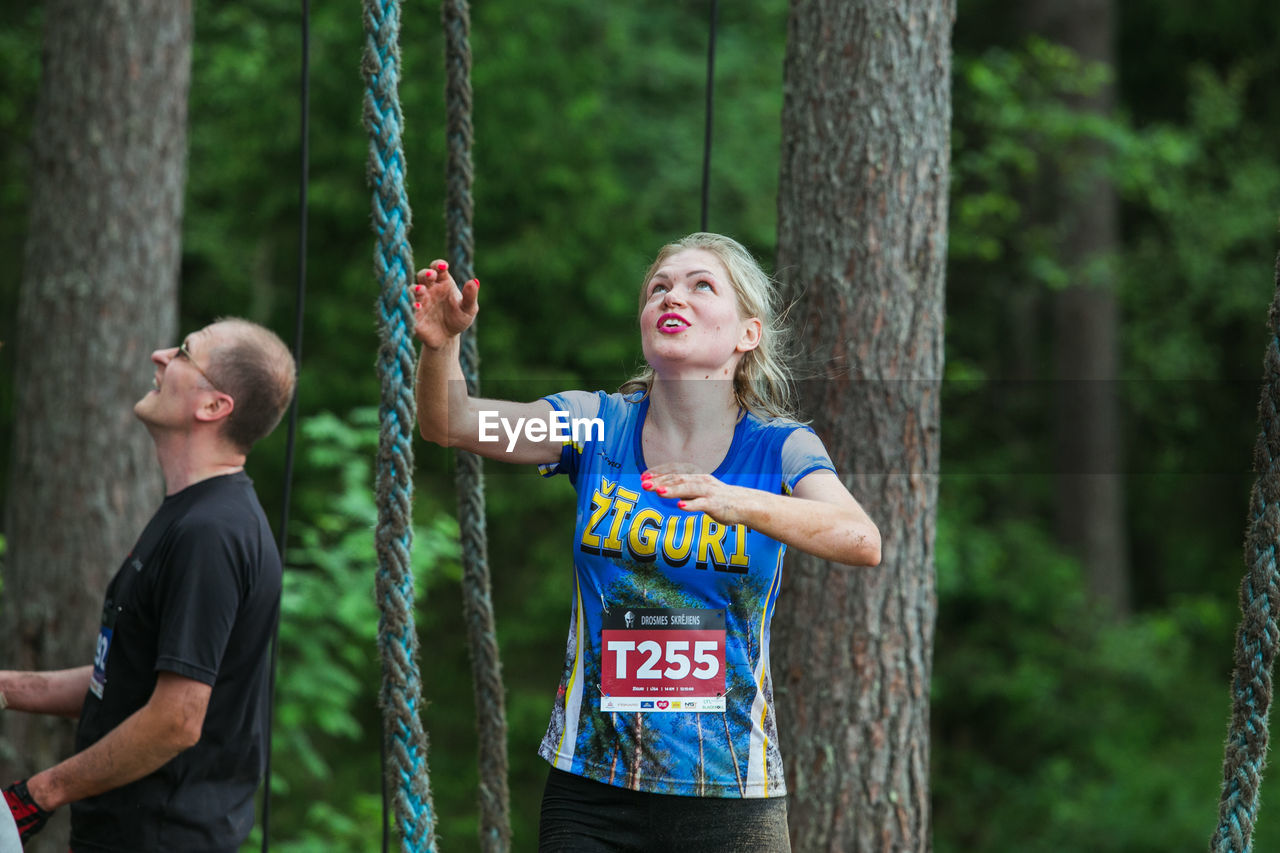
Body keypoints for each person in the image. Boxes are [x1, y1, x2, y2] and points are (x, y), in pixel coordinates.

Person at [412, 232, 881, 851]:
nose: (672, 297)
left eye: (700, 286)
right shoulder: (592, 424)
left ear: (748, 334)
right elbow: (452, 422)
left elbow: (860, 537)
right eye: (659, 286)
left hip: (729, 792)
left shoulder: (780, 447)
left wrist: (736, 500)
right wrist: (442, 347)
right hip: (591, 790)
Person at [1, 318, 296, 852]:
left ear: (213, 407)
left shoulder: (212, 533)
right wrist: (6, 689)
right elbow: (128, 678)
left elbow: (176, 720)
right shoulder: (194, 515)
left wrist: (36, 796)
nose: (160, 355)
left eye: (184, 353)